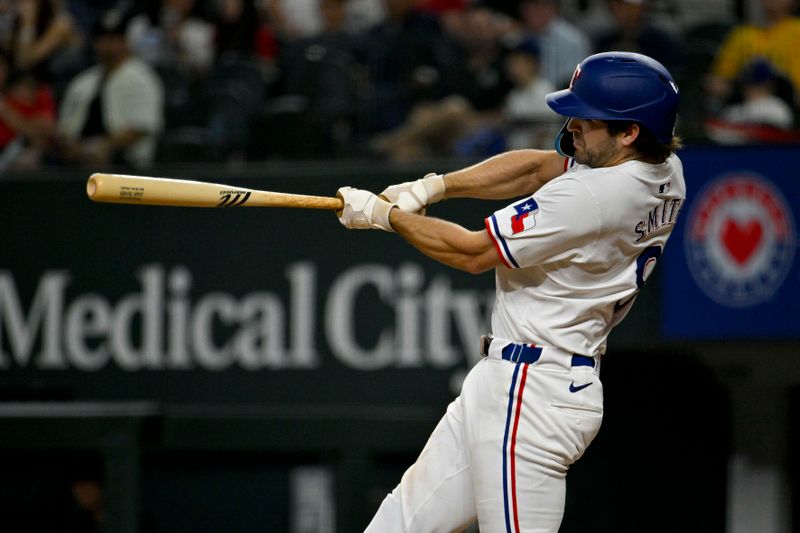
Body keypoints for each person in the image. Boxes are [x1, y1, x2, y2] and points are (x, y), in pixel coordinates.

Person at [336, 51, 685, 532]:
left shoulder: (593, 196)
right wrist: (431, 187)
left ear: (629, 133)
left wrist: (387, 217)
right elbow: (536, 168)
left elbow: (473, 254)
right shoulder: (667, 171)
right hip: (513, 379)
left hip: (534, 392)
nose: (574, 124)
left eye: (589, 119)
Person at [56, 6, 163, 168]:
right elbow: (65, 129)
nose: (108, 45)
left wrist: (104, 145)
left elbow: (141, 127)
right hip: (78, 157)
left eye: (115, 39)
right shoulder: (83, 82)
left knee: (99, 157)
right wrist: (72, 147)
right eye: (103, 39)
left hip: (125, 161)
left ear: (125, 41)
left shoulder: (142, 78)